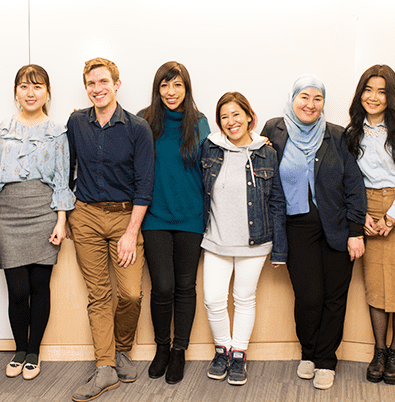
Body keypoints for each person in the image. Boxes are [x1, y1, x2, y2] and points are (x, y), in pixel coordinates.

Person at [262, 75, 366, 390]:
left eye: (317, 98)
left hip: (337, 226)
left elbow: (354, 184)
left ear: (323, 102)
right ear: (293, 98)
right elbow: (260, 166)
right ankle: (308, 352)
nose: (310, 104)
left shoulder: (337, 136)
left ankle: (326, 360)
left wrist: (356, 230)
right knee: (309, 296)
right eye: (304, 97)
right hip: (296, 226)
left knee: (335, 297)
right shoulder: (274, 130)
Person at [66, 57, 155, 402]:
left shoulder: (137, 128)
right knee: (99, 294)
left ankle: (121, 350)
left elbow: (144, 184)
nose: (97, 89)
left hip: (124, 218)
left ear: (117, 84)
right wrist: (68, 214)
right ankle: (105, 367)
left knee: (131, 293)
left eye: (103, 82)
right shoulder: (76, 122)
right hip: (86, 216)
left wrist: (132, 232)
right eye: (91, 83)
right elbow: (66, 166)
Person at [0, 64, 74, 381]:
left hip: (44, 211)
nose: (30, 92)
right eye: (24, 86)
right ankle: (19, 348)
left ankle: (34, 351)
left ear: (48, 92)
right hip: (8, 213)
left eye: (37, 86)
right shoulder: (3, 129)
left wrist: (61, 220)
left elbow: (63, 179)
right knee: (17, 289)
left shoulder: (58, 132)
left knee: (40, 286)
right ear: (16, 92)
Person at [342, 65, 395, 386]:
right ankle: (378, 351)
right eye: (368, 90)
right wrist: (361, 215)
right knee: (375, 285)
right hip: (368, 208)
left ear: (391, 96)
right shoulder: (352, 132)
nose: (373, 97)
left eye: (381, 91)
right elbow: (351, 180)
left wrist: (392, 216)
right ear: (360, 93)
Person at [199, 92, 286, 386]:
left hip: (255, 242)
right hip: (215, 240)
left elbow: (276, 202)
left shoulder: (267, 152)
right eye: (224, 116)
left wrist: (279, 250)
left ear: (250, 116)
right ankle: (222, 349)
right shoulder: (209, 148)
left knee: (245, 299)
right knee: (213, 300)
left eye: (236, 114)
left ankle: (239, 355)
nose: (231, 121)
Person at [136, 61, 210, 384]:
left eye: (177, 85)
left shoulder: (201, 123)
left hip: (191, 216)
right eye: (165, 85)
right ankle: (162, 348)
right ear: (157, 89)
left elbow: (219, 159)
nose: (171, 92)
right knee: (162, 286)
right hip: (155, 216)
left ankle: (180, 350)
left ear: (186, 88)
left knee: (185, 287)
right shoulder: (144, 121)